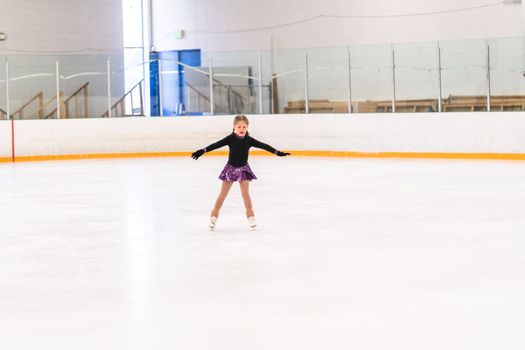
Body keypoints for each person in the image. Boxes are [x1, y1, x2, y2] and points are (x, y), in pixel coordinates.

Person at [191, 115, 290, 230]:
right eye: (239, 126)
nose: (241, 129)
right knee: (223, 195)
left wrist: (277, 152)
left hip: (243, 169)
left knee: (245, 194)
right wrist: (203, 151)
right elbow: (216, 144)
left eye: (244, 126)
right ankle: (214, 217)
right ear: (234, 127)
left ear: (247, 127)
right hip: (230, 169)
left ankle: (251, 217)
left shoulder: (249, 140)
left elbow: (263, 146)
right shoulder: (230, 138)